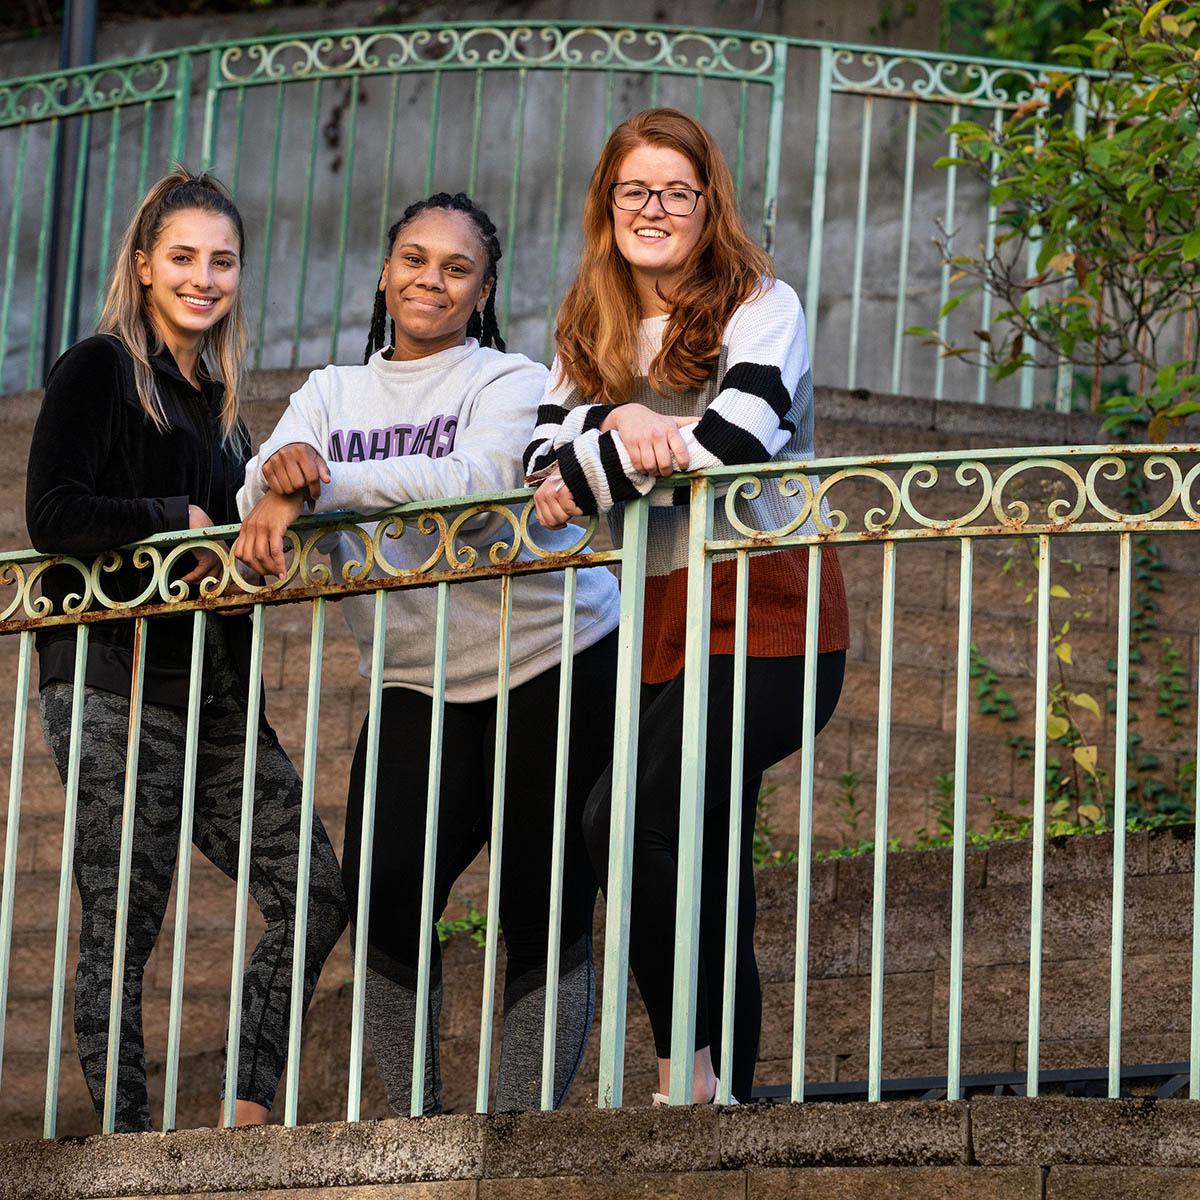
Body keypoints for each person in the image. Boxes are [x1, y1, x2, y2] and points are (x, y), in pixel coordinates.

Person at [234, 192, 621, 1115]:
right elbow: (259, 477)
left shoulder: (512, 380)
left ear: (483, 291)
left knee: (541, 898)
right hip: (417, 676)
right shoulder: (329, 392)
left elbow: (480, 483)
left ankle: (523, 1127)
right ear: (384, 272)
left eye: (456, 269)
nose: (431, 281)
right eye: (414, 259)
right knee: (384, 900)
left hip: (554, 656)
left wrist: (322, 482)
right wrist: (285, 479)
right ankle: (414, 1123)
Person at [525, 108, 849, 1105]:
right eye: (635, 191)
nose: (654, 209)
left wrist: (604, 448)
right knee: (694, 849)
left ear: (707, 204)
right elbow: (536, 467)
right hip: (667, 613)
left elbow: (734, 447)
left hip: (774, 610)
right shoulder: (590, 320)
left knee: (623, 815)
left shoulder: (764, 303)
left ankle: (686, 1078)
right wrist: (625, 428)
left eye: (676, 190)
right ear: (606, 203)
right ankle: (718, 1089)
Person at [25, 169, 348, 1134]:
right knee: (123, 925)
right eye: (183, 259)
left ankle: (245, 1111)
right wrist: (179, 521)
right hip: (113, 683)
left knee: (316, 888)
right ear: (143, 265)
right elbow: (53, 514)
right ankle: (127, 1140)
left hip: (216, 699)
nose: (204, 278)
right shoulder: (98, 367)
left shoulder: (223, 406)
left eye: (223, 261)